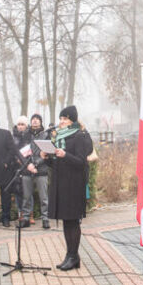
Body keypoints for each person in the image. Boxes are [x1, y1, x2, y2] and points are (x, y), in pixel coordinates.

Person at [43, 105, 93, 271]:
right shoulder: (58, 137)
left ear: (72, 120)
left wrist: (65, 155)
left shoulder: (80, 136)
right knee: (66, 221)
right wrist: (46, 158)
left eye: (65, 118)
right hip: (60, 184)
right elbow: (56, 164)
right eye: (61, 118)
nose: (61, 122)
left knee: (72, 222)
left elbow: (81, 162)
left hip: (74, 185)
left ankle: (73, 255)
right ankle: (71, 255)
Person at [23, 113, 50, 230]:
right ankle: (25, 218)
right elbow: (21, 152)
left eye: (37, 119)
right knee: (26, 196)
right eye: (33, 119)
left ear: (41, 122)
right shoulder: (25, 135)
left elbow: (46, 154)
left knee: (43, 197)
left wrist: (36, 164)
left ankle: (45, 218)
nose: (35, 121)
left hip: (41, 170)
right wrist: (28, 165)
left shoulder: (46, 135)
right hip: (27, 170)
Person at [12, 115, 33, 226]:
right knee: (17, 190)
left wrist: (25, 161)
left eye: (22, 124)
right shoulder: (13, 137)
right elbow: (11, 150)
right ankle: (21, 213)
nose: (20, 126)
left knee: (27, 191)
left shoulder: (30, 136)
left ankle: (30, 214)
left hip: (27, 166)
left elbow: (33, 149)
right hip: (16, 166)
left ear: (26, 125)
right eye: (19, 124)